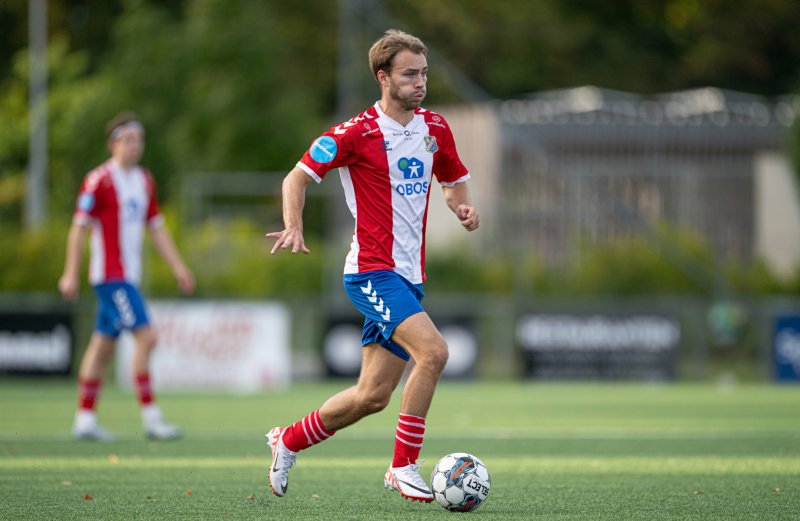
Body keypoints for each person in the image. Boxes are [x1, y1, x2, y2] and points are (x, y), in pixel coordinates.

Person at [265, 29, 480, 502]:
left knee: (371, 397)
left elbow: (453, 180)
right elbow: (295, 178)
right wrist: (293, 224)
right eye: (409, 74)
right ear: (383, 77)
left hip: (409, 277)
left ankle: (289, 440)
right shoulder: (353, 134)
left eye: (423, 73)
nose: (419, 82)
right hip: (370, 272)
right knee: (436, 353)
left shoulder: (436, 128)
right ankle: (402, 467)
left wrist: (460, 208)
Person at [58, 112, 195, 441]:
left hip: (127, 277)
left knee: (102, 346)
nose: (135, 146)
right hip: (109, 276)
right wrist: (70, 273)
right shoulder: (99, 180)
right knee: (147, 338)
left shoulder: (145, 180)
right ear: (113, 143)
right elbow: (78, 228)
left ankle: (84, 420)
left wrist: (178, 267)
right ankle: (151, 418)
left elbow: (157, 228)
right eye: (128, 140)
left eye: (139, 140)